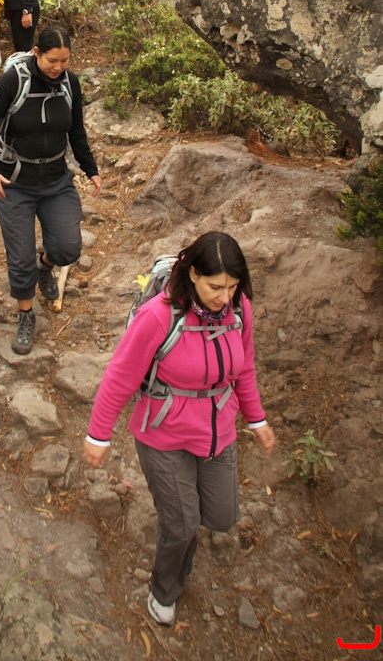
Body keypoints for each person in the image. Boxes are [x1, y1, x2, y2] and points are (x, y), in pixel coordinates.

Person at [83, 232, 276, 627]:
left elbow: (245, 368)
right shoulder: (160, 316)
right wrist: (98, 435)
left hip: (217, 430)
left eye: (233, 287)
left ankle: (181, 527)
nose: (225, 297)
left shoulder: (239, 310)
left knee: (222, 517)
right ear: (193, 275)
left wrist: (256, 419)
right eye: (216, 287)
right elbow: (120, 376)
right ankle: (164, 590)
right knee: (183, 524)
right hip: (163, 434)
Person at [0, 26, 102, 355]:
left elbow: (76, 131)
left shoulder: (70, 83)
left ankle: (46, 267)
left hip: (56, 180)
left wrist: (91, 169)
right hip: (14, 184)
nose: (58, 67)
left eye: (65, 61)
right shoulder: (13, 81)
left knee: (68, 248)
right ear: (36, 53)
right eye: (52, 61)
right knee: (20, 257)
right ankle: (26, 315)